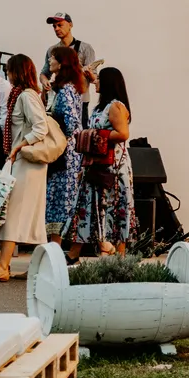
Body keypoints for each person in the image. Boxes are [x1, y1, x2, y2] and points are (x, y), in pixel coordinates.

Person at [0, 55, 51, 283]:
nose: (7, 74)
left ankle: (3, 266)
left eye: (9, 70)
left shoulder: (26, 96)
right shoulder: (20, 94)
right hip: (21, 161)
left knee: (13, 213)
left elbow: (41, 127)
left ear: (18, 71)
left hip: (26, 161)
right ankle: (40, 267)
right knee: (28, 217)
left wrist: (20, 145)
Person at [66, 67, 133, 260]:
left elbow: (123, 134)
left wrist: (95, 135)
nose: (96, 82)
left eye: (99, 80)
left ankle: (120, 256)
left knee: (115, 209)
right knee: (85, 207)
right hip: (95, 164)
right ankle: (74, 253)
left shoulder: (116, 107)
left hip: (113, 168)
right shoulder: (100, 107)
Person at [43, 46, 86, 244]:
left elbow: (71, 122)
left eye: (52, 58)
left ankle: (56, 245)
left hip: (65, 151)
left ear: (61, 64)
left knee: (60, 198)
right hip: (67, 149)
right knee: (60, 197)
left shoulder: (67, 89)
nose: (49, 61)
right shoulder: (67, 87)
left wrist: (56, 133)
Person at [42, 14, 97, 80]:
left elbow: (94, 77)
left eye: (60, 25)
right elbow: (44, 73)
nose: (56, 29)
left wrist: (89, 74)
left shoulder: (85, 48)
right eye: (54, 26)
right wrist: (44, 80)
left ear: (70, 25)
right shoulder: (52, 50)